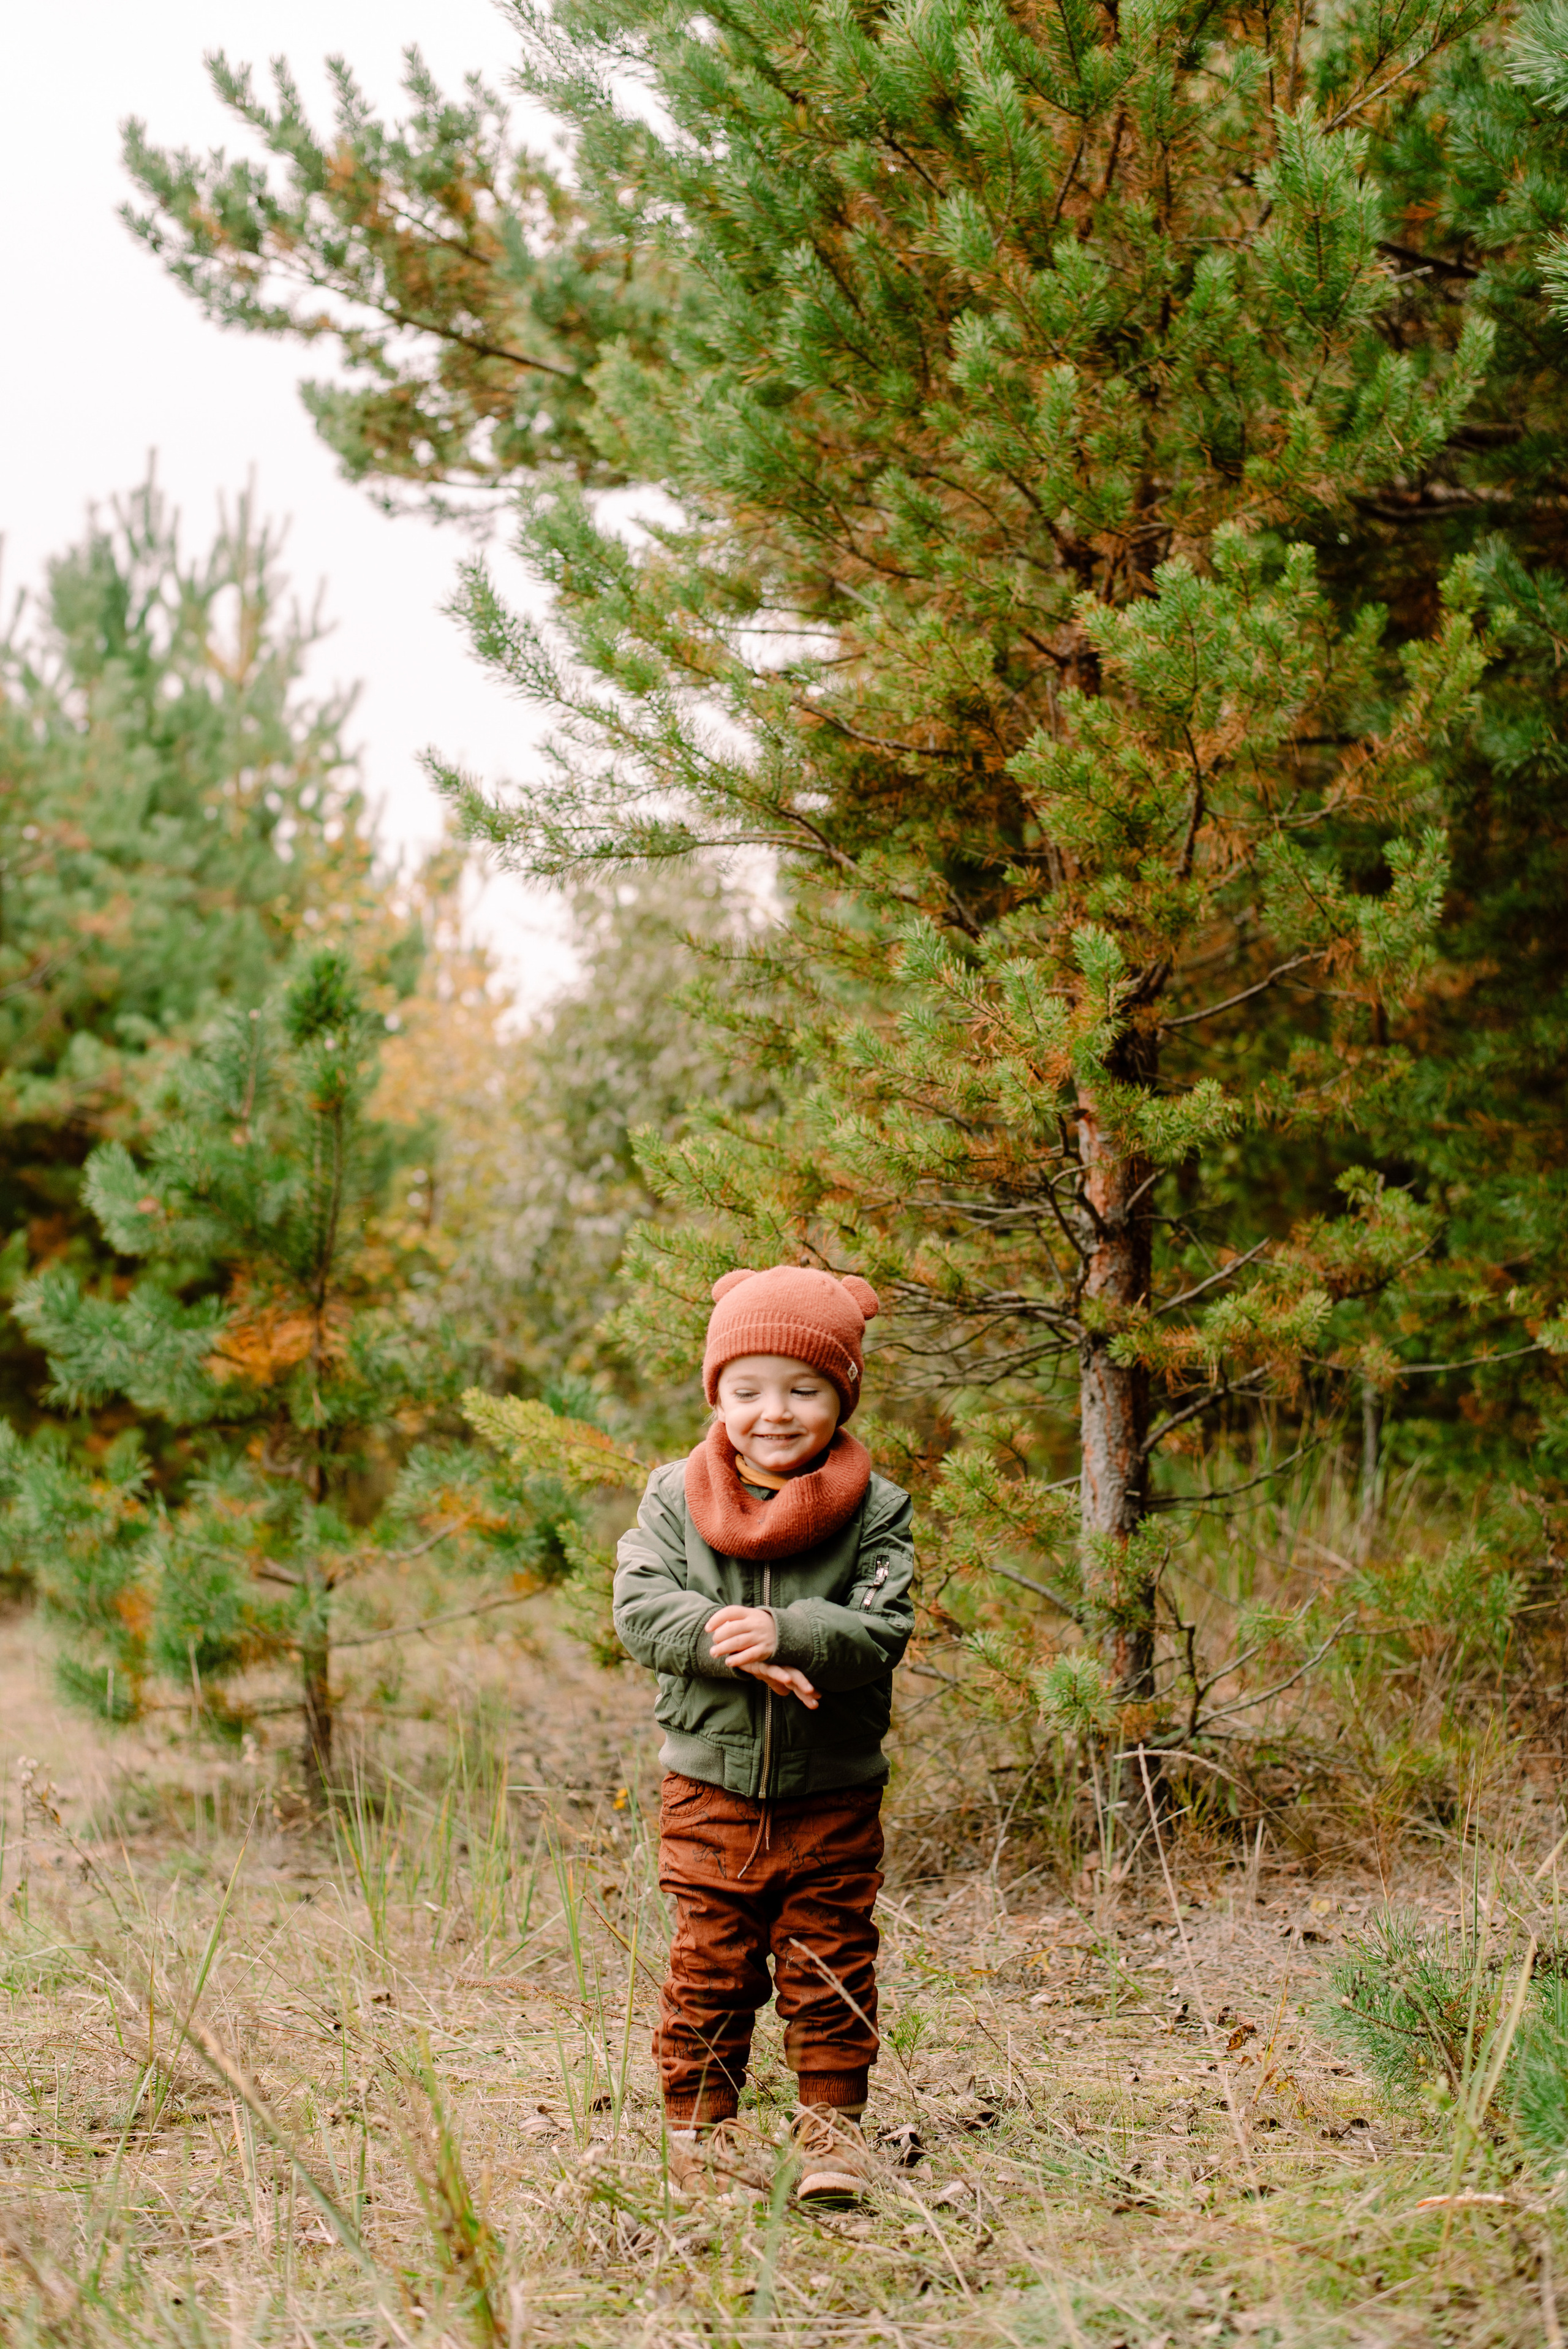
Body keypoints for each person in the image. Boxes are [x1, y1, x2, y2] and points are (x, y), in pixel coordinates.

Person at [612, 1265, 914, 2203]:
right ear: (718, 1394)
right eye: (746, 1390)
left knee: (829, 1956)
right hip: (711, 1785)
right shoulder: (674, 1496)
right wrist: (725, 1639)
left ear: (843, 1392)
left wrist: (794, 1632)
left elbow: (883, 1626)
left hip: (832, 1785)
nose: (772, 1412)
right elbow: (638, 1605)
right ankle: (703, 2137)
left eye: (803, 1389)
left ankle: (832, 2133)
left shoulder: (877, 1508)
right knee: (712, 1960)